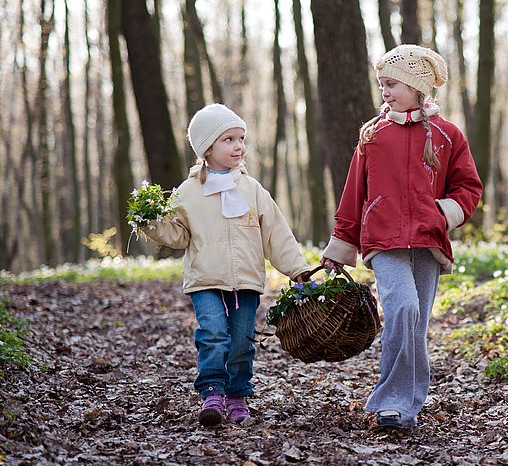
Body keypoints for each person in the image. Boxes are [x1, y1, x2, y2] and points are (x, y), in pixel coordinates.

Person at [321, 45, 483, 430]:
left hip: (429, 241)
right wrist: (341, 245)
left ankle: (408, 404)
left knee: (416, 323)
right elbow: (353, 193)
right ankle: (391, 401)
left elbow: (469, 186)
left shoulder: (447, 134)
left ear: (416, 86)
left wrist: (444, 211)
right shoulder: (373, 135)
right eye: (382, 86)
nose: (385, 92)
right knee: (403, 310)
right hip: (383, 240)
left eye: (392, 84)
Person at [142, 103, 311, 427]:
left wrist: (298, 269)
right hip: (206, 280)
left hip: (246, 281)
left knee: (241, 339)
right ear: (207, 148)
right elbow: (177, 235)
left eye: (241, 138)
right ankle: (212, 393)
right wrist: (152, 222)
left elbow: (276, 233)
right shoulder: (189, 192)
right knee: (214, 334)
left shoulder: (252, 189)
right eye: (229, 140)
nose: (239, 146)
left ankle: (237, 395)